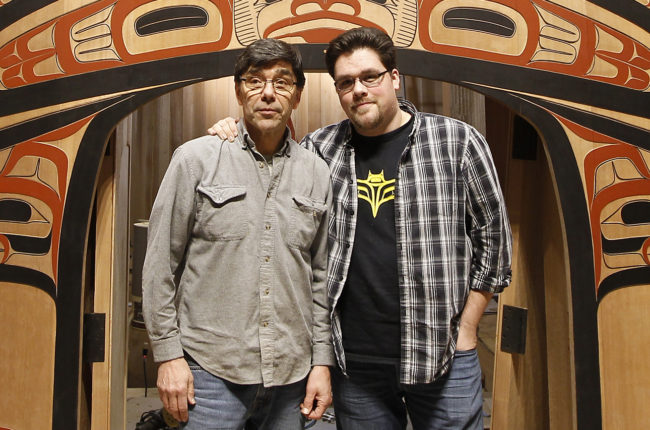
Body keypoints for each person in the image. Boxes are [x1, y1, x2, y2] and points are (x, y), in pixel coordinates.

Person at [210, 27, 512, 430]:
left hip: (442, 354)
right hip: (355, 364)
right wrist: (232, 129)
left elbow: (494, 244)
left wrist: (468, 327)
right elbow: (269, 156)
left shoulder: (457, 142)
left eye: (370, 77)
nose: (359, 90)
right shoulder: (320, 149)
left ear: (394, 77)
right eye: (346, 82)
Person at [142, 38, 334, 430]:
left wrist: (321, 363)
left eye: (282, 83)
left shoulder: (317, 173)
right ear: (238, 91)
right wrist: (167, 356)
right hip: (210, 373)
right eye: (254, 81)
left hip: (291, 376)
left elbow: (320, 280)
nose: (267, 93)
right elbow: (160, 265)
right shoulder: (196, 159)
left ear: (297, 97)